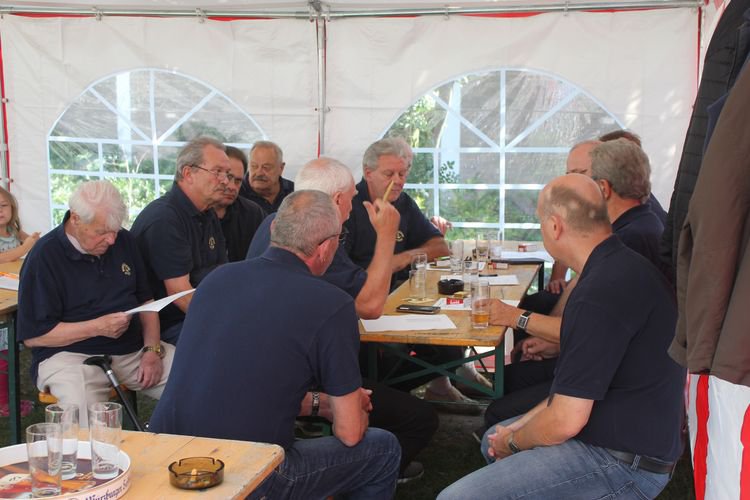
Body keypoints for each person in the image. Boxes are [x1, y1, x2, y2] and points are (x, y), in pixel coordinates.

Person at [438, 174, 685, 500]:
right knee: (493, 438)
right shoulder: (617, 266)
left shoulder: (599, 292)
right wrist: (515, 429)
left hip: (626, 462)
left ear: (555, 227)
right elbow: (569, 392)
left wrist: (514, 441)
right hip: (632, 438)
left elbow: (566, 419)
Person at [149, 190, 401, 499]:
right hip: (247, 471)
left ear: (273, 230)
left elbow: (243, 386)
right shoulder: (332, 304)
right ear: (325, 248)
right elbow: (350, 434)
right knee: (382, 448)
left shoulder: (217, 280)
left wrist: (323, 404)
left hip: (167, 455)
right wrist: (355, 409)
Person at [247, 157, 438, 483]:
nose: (352, 206)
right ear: (337, 201)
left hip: (264, 368)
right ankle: (362, 475)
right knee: (420, 418)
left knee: (381, 369)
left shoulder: (272, 225)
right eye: (351, 198)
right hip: (298, 376)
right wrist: (386, 236)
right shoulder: (319, 238)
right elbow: (370, 305)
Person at [481, 138, 665, 431]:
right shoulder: (631, 232)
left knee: (498, 417)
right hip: (624, 378)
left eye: (581, 177)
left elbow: (572, 407)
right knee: (511, 380)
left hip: (621, 397)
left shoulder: (627, 244)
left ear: (602, 189)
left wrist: (513, 438)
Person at [343, 138, 486, 412]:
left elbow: (439, 246)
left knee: (451, 343)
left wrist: (401, 260)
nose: (398, 181)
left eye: (403, 173)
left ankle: (413, 392)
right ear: (368, 172)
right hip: (359, 305)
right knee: (393, 353)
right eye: (389, 174)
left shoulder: (403, 203)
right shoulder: (350, 207)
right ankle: (386, 398)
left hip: (399, 297)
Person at [17, 180, 174, 427]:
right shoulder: (44, 256)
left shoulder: (124, 241)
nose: (111, 240)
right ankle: (96, 453)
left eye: (115, 230)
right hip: (71, 356)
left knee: (199, 377)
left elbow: (147, 302)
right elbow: (34, 336)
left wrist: (152, 350)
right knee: (84, 412)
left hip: (133, 349)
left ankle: (195, 446)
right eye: (101, 232)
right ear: (75, 219)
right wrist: (96, 328)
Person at [130, 136, 229, 344]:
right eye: (217, 171)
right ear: (188, 173)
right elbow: (179, 294)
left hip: (199, 312)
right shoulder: (164, 218)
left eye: (226, 173)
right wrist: (226, 322)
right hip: (167, 325)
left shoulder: (207, 212)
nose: (225, 181)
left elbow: (221, 274)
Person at [0, 186, 39, 417]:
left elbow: (31, 242)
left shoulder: (13, 230)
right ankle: (5, 402)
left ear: (12, 208)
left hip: (13, 289)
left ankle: (11, 395)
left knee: (10, 352)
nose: (0, 211)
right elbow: (5, 257)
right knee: (3, 356)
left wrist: (34, 240)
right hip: (2, 298)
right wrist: (26, 246)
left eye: (3, 206)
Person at [216, 146, 266, 262]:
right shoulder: (192, 213)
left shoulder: (253, 213)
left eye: (238, 181)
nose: (232, 187)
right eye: (228, 177)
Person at [239, 140, 294, 213]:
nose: (259, 173)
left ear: (281, 168)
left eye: (266, 167)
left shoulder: (293, 192)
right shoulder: (237, 193)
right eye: (254, 166)